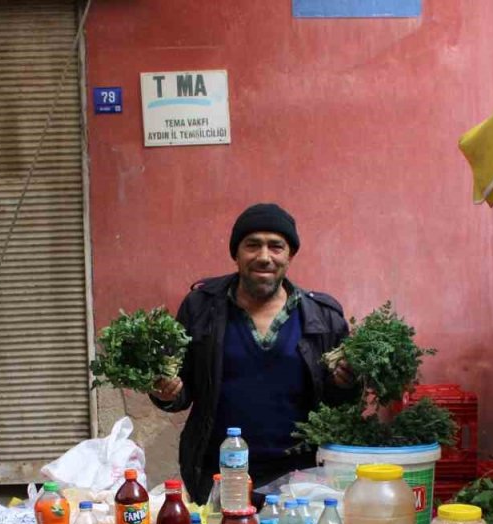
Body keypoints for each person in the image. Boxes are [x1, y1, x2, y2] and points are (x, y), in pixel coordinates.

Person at [150, 202, 358, 503]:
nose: (264, 257)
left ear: (290, 255)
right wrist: (168, 393)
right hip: (219, 474)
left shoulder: (322, 317)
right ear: (236, 253)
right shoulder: (200, 308)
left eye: (276, 246)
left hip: (300, 478)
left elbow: (338, 404)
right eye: (252, 245)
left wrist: (344, 384)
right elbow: (182, 386)